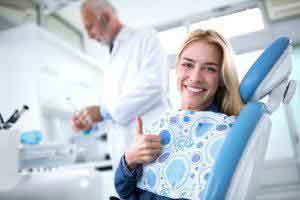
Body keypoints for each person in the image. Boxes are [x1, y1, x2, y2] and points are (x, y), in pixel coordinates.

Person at [114, 29, 244, 199]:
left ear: (221, 78)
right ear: (177, 68)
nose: (195, 77)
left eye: (210, 69)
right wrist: (129, 159)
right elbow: (125, 191)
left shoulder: (224, 133)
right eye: (188, 64)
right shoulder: (164, 124)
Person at [71, 0, 169, 169]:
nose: (89, 36)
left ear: (107, 17)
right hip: (124, 159)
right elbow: (116, 112)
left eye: (90, 27)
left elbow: (154, 87)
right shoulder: (109, 58)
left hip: (150, 152)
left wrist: (102, 112)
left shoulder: (145, 38)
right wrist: (92, 121)